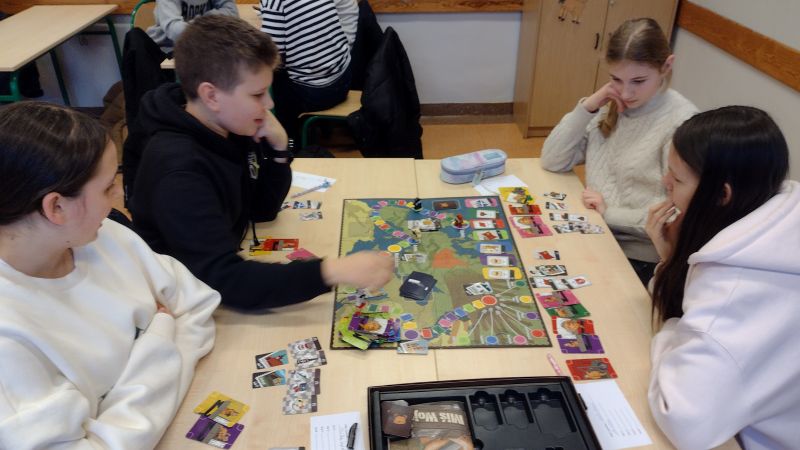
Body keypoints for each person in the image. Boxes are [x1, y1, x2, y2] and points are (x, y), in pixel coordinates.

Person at [130, 15, 392, 311]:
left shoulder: (226, 123)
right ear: (211, 95)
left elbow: (261, 209)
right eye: (257, 94)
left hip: (215, 275)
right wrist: (331, 271)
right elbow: (226, 282)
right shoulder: (179, 171)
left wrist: (279, 149)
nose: (269, 104)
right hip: (184, 302)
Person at [0, 102, 220, 448]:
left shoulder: (101, 236)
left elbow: (198, 305)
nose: (119, 197)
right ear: (56, 207)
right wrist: (160, 337)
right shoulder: (8, 337)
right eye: (107, 188)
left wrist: (116, 410)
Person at [644, 106, 799, 449]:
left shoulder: (738, 286)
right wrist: (670, 259)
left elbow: (684, 422)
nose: (665, 183)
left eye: (677, 180)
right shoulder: (779, 212)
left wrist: (671, 334)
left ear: (721, 195)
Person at [540, 18, 698, 285]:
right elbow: (553, 160)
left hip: (639, 254)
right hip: (594, 229)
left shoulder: (681, 123)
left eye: (638, 80)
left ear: (666, 66)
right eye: (616, 79)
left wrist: (608, 212)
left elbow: (675, 215)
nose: (626, 93)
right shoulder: (611, 104)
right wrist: (589, 105)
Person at [258, 0, 359, 139]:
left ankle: (289, 143)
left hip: (316, 93)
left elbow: (270, 55)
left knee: (267, 82)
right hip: (343, 80)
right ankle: (317, 132)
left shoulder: (275, 3)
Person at [147, 0, 239, 53]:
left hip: (204, 45)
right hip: (167, 48)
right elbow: (175, 31)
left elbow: (232, 12)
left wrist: (206, 19)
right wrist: (209, 21)